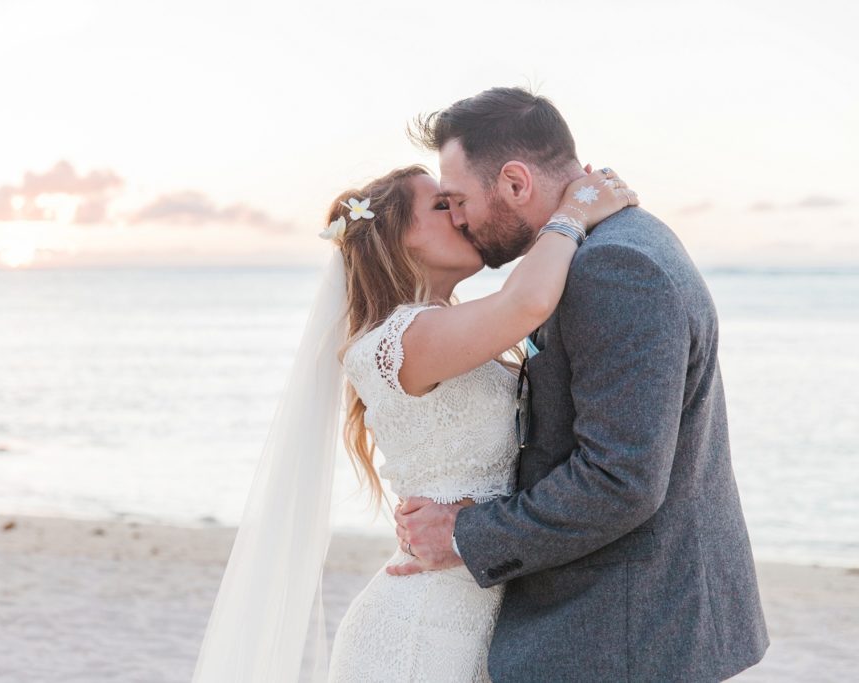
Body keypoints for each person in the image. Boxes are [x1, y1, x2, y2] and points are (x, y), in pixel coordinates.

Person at [192, 148, 634, 680]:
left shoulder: (443, 329)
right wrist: (573, 212)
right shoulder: (395, 342)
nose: (463, 214)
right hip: (419, 632)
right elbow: (527, 303)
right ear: (399, 238)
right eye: (442, 207)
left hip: (474, 610)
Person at [390, 86, 769, 681]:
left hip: (619, 633)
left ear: (515, 183)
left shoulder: (611, 267)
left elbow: (619, 479)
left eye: (459, 199)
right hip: (634, 624)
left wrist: (465, 534)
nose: (458, 218)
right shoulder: (613, 244)